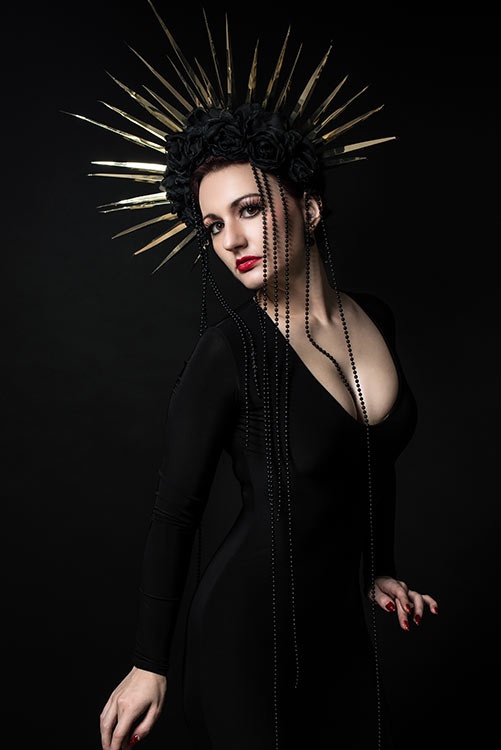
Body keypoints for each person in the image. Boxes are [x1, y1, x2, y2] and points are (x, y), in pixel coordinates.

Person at [73, 2, 439, 748]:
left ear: (309, 207)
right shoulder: (227, 352)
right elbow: (175, 513)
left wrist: (381, 569)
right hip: (247, 636)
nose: (231, 239)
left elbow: (370, 463)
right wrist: (148, 664)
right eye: (213, 225)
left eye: (249, 209)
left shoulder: (374, 316)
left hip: (341, 630)